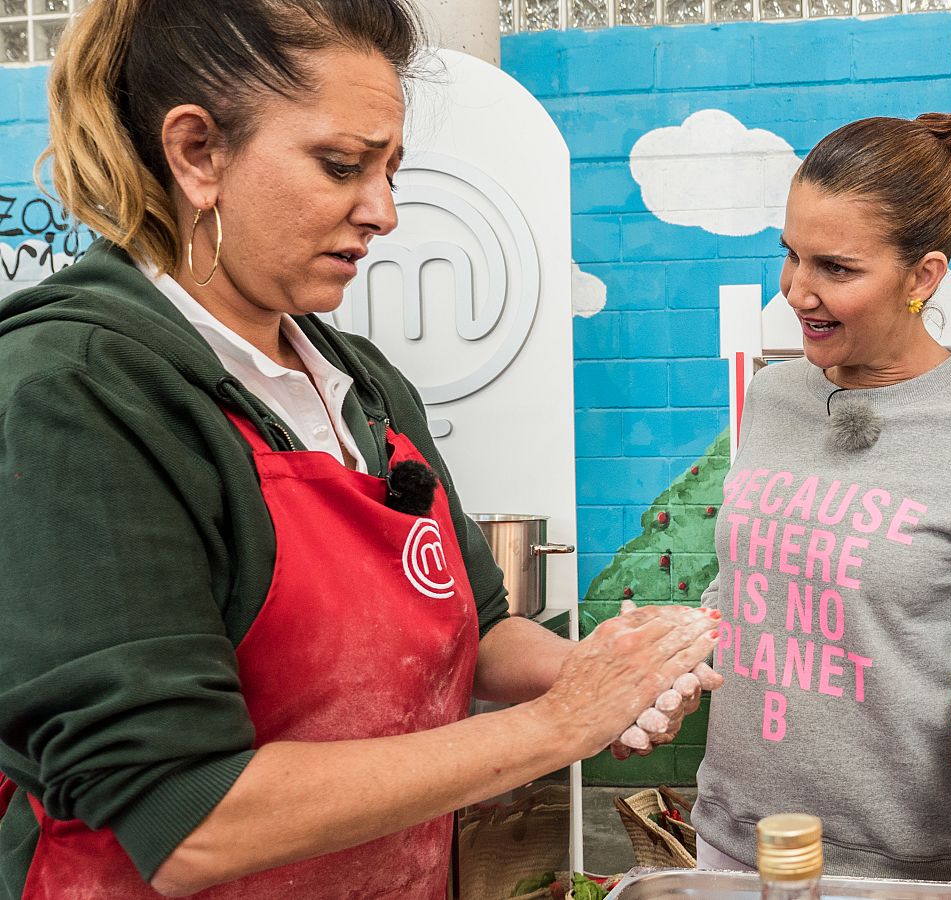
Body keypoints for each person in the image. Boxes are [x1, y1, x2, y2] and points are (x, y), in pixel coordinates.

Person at [0, 2, 720, 897]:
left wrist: (598, 672)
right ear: (197, 153)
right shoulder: (78, 392)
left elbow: (481, 631)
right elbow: (189, 817)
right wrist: (558, 727)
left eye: (389, 170)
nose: (382, 211)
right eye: (342, 165)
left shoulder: (361, 384)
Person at [692, 114, 951, 883]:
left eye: (836, 268)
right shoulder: (773, 396)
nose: (799, 291)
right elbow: (743, 582)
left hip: (906, 862)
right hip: (735, 833)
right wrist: (679, 643)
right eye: (791, 256)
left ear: (924, 277)